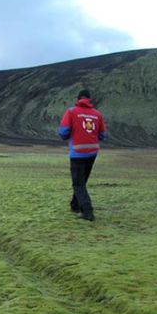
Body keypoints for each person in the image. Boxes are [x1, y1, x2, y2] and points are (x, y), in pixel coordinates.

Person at [58, 89, 107, 221]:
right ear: (89, 99)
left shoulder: (71, 111)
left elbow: (63, 131)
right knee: (82, 181)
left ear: (78, 99)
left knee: (78, 183)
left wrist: (70, 135)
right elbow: (103, 135)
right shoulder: (97, 114)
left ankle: (87, 211)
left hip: (77, 153)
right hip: (92, 153)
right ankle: (75, 205)